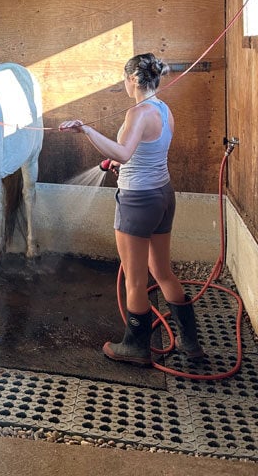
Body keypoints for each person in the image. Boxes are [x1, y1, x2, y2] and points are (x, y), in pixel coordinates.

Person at [59, 53, 204, 367]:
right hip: (163, 195)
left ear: (133, 80)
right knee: (162, 271)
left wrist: (86, 130)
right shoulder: (163, 110)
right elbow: (144, 152)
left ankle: (136, 347)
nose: (124, 84)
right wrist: (119, 161)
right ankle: (190, 343)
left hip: (138, 202)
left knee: (135, 281)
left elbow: (124, 153)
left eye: (124, 79)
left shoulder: (137, 113)